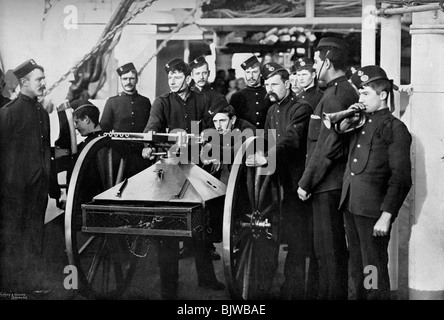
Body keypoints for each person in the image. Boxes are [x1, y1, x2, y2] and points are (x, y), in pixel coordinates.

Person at [325, 65, 412, 299]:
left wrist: (387, 215)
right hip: (352, 204)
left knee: (372, 266)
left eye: (365, 93)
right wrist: (343, 123)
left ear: (382, 95)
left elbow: (401, 178)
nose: (360, 98)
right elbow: (333, 147)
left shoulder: (395, 128)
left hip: (373, 210)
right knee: (358, 265)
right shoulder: (360, 122)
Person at [142, 58, 225, 299]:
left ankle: (207, 279)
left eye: (178, 77)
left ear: (188, 79)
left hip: (198, 170)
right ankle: (169, 286)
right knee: (167, 228)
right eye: (170, 78)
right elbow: (153, 125)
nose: (173, 81)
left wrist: (216, 152)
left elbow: (213, 131)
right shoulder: (162, 102)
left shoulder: (203, 101)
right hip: (171, 171)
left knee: (201, 225)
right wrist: (148, 143)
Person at [246, 62, 316, 300]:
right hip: (276, 184)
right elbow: (266, 138)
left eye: (274, 84)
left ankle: (294, 290)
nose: (270, 88)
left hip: (298, 182)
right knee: (273, 235)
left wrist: (267, 156)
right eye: (267, 84)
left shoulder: (301, 108)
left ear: (287, 84)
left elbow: (291, 139)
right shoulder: (272, 110)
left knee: (297, 240)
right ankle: (267, 285)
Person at [297, 37, 359, 300]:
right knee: (329, 253)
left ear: (328, 62)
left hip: (326, 185)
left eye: (317, 62)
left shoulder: (334, 97)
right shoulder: (344, 91)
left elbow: (327, 147)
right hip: (333, 183)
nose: (315, 68)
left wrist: (305, 183)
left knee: (328, 254)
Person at [0, 59, 52, 296]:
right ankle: (11, 289)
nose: (44, 83)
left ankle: (33, 285)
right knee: (13, 238)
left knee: (35, 236)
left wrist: (51, 188)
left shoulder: (43, 113)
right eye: (39, 79)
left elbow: (46, 154)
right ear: (24, 83)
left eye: (43, 78)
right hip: (13, 191)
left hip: (37, 190)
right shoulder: (8, 113)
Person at [100, 62, 152, 178]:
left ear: (137, 80)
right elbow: (103, 129)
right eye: (125, 79)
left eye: (131, 78)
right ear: (121, 80)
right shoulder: (112, 102)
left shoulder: (145, 102)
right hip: (118, 155)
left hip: (141, 155)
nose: (128, 82)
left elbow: (150, 127)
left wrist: (148, 147)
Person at [230, 55, 272, 129]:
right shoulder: (237, 96)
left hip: (268, 136)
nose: (251, 76)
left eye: (255, 72)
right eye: (248, 72)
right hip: (246, 137)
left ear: (261, 73)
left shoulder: (269, 93)